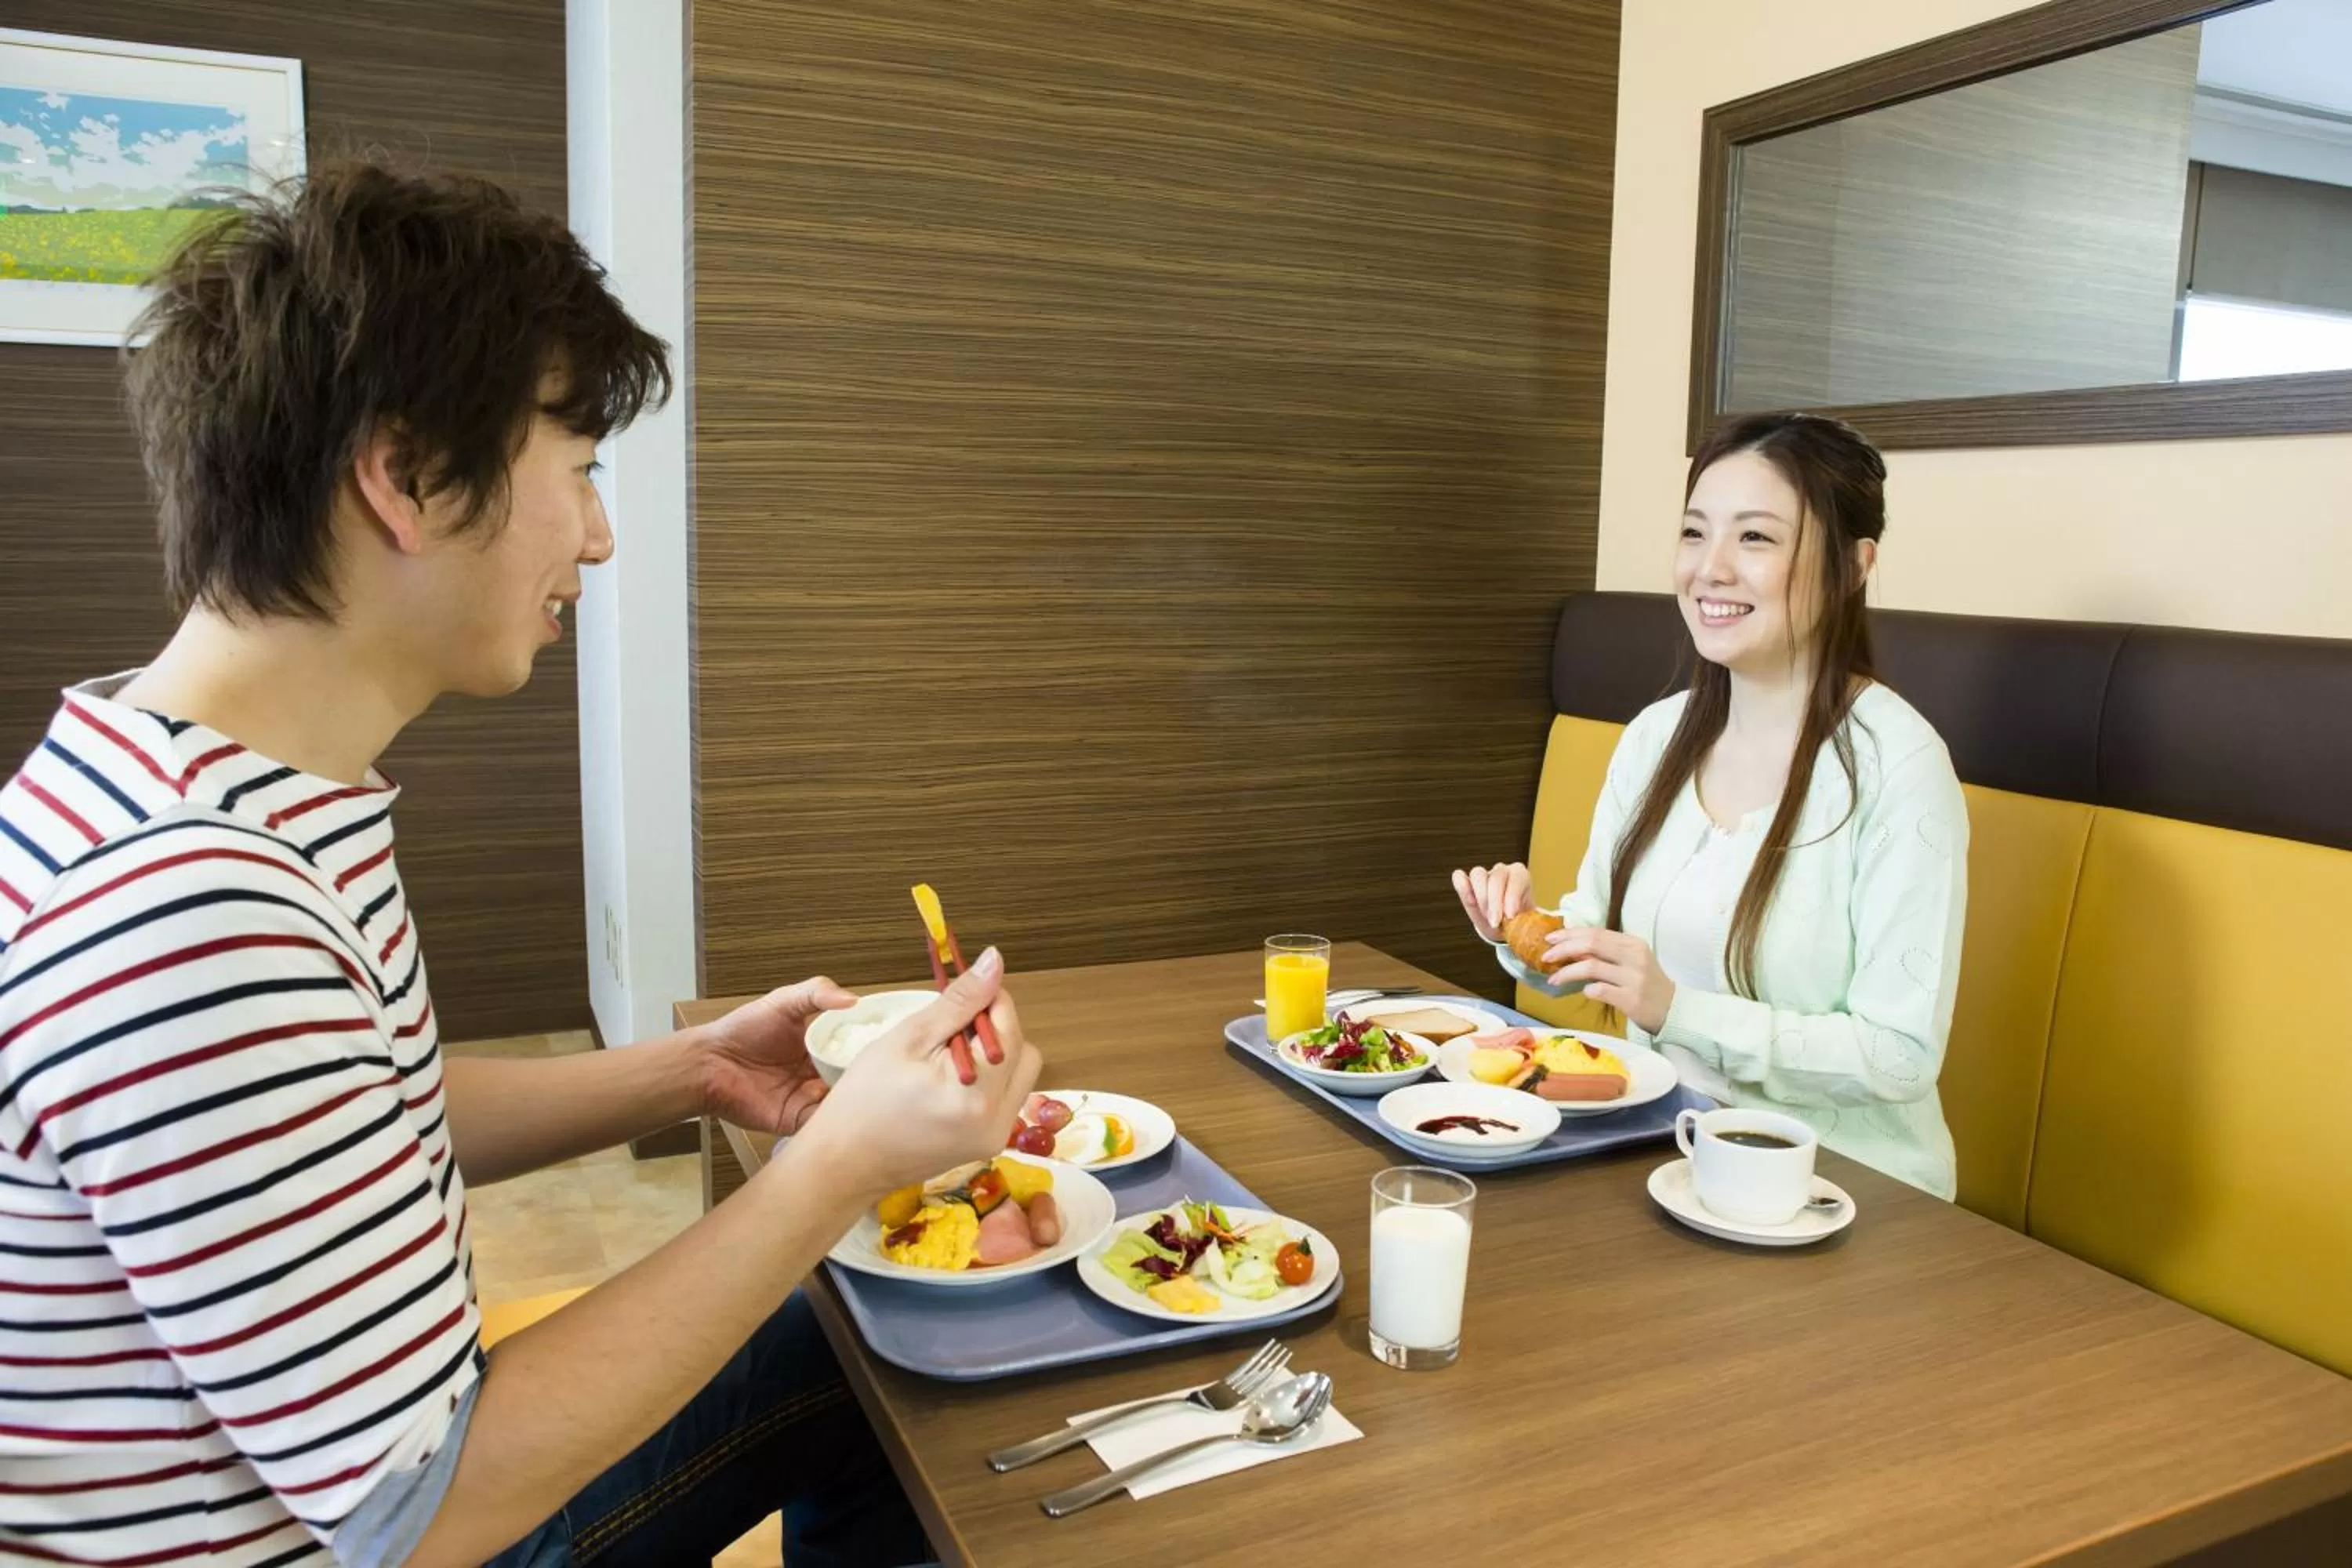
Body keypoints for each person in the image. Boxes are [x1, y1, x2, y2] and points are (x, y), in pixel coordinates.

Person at [0, 164, 1037, 1568]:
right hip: (359, 1530)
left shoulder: (180, 777)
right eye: (581, 469)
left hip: (349, 1482)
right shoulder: (189, 912)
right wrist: (837, 1171)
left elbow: (354, 1110)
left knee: (860, 1350)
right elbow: (418, 1517)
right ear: (406, 477)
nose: (598, 536)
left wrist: (700, 1069)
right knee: (871, 1332)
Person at [1451, 412, 1967, 1198]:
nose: (1709, 568)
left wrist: (1677, 1010)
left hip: (1846, 1193)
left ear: (1853, 566)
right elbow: (1594, 942)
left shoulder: (1898, 765)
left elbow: (1899, 1055)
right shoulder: (1656, 737)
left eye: (1755, 537)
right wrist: (1526, 933)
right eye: (1695, 533)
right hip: (1670, 1157)